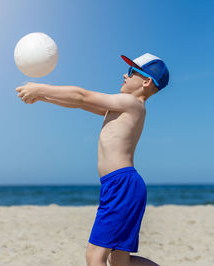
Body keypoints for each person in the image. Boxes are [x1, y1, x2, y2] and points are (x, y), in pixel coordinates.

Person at [15, 53, 169, 266]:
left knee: (95, 256)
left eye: (132, 71)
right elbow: (80, 103)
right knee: (120, 261)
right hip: (120, 185)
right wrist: (43, 98)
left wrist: (41, 88)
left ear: (146, 81)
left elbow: (82, 95)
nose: (125, 74)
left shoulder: (131, 103)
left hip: (121, 185)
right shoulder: (124, 107)